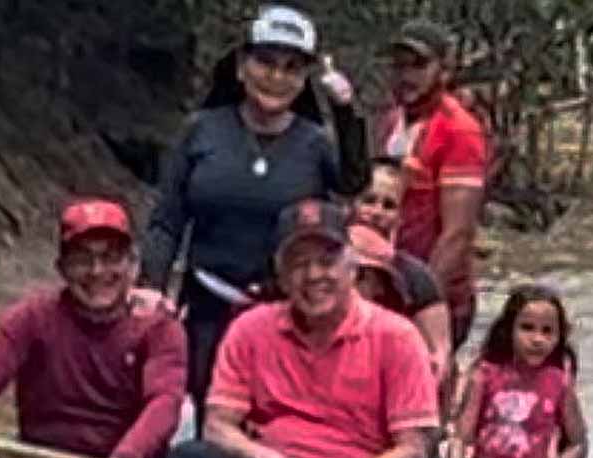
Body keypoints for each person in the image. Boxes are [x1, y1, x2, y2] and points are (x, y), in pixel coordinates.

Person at [140, 4, 369, 433]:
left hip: (283, 311)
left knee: (274, 423)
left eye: (291, 68)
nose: (276, 78)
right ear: (242, 66)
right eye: (265, 62)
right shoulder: (201, 130)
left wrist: (346, 111)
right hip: (206, 303)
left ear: (304, 80)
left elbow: (354, 182)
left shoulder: (315, 143)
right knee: (199, 415)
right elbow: (167, 220)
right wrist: (150, 288)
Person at [162, 202, 448, 458]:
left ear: (352, 269)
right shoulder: (250, 327)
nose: (313, 276)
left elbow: (411, 451)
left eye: (326, 263)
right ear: (282, 278)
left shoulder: (398, 336)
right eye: (299, 265)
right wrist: (259, 457)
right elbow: (217, 425)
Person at [0, 199, 188, 458]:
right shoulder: (31, 318)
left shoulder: (159, 327)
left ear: (132, 264)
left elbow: (165, 402)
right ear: (61, 267)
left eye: (111, 257)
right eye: (82, 259)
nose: (97, 271)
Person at [377, 19, 490, 350]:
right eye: (399, 65)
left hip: (434, 295)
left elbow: (457, 233)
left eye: (419, 65)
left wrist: (423, 302)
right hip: (391, 287)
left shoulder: (459, 131)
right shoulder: (392, 122)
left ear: (444, 69)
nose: (406, 76)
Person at [445, 284, 589, 458]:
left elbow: (578, 446)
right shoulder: (484, 375)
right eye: (527, 328)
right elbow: (461, 436)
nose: (537, 339)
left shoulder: (559, 384)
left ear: (558, 337)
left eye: (547, 332)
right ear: (508, 330)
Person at [351, 157, 451, 382]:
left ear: (401, 216)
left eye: (389, 205)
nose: (377, 212)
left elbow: (440, 357)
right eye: (369, 201)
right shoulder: (324, 261)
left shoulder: (417, 277)